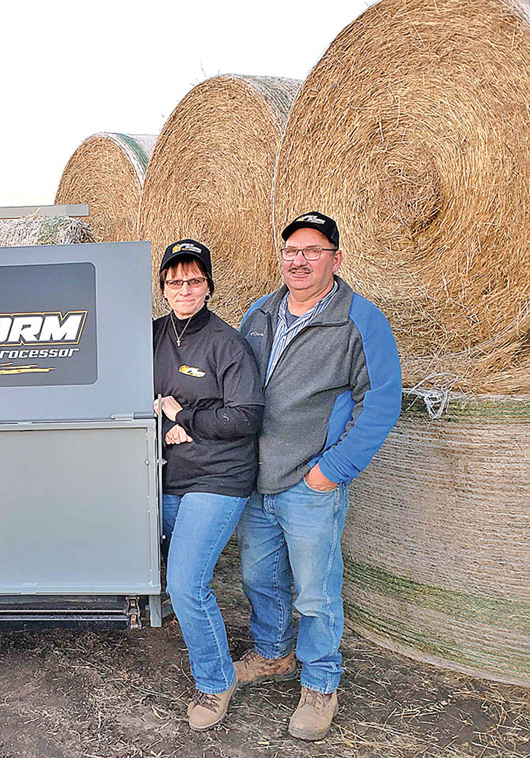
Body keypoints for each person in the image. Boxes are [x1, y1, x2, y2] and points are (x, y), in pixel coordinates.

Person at [237, 212, 402, 741]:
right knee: (259, 578)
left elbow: (380, 400)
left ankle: (320, 682)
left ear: (335, 257)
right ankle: (272, 654)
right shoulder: (259, 313)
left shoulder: (360, 320)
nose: (298, 260)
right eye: (290, 250)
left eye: (312, 250)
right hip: (256, 479)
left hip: (310, 482)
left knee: (316, 591)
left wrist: (332, 470)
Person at [152, 239, 264, 731]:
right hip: (166, 473)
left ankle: (216, 681)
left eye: (194, 280)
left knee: (185, 582)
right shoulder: (151, 335)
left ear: (209, 285)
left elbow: (247, 416)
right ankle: (192, 623)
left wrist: (186, 416)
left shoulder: (227, 343)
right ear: (162, 288)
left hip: (217, 477)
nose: (184, 289)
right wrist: (162, 421)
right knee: (177, 574)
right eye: (175, 281)